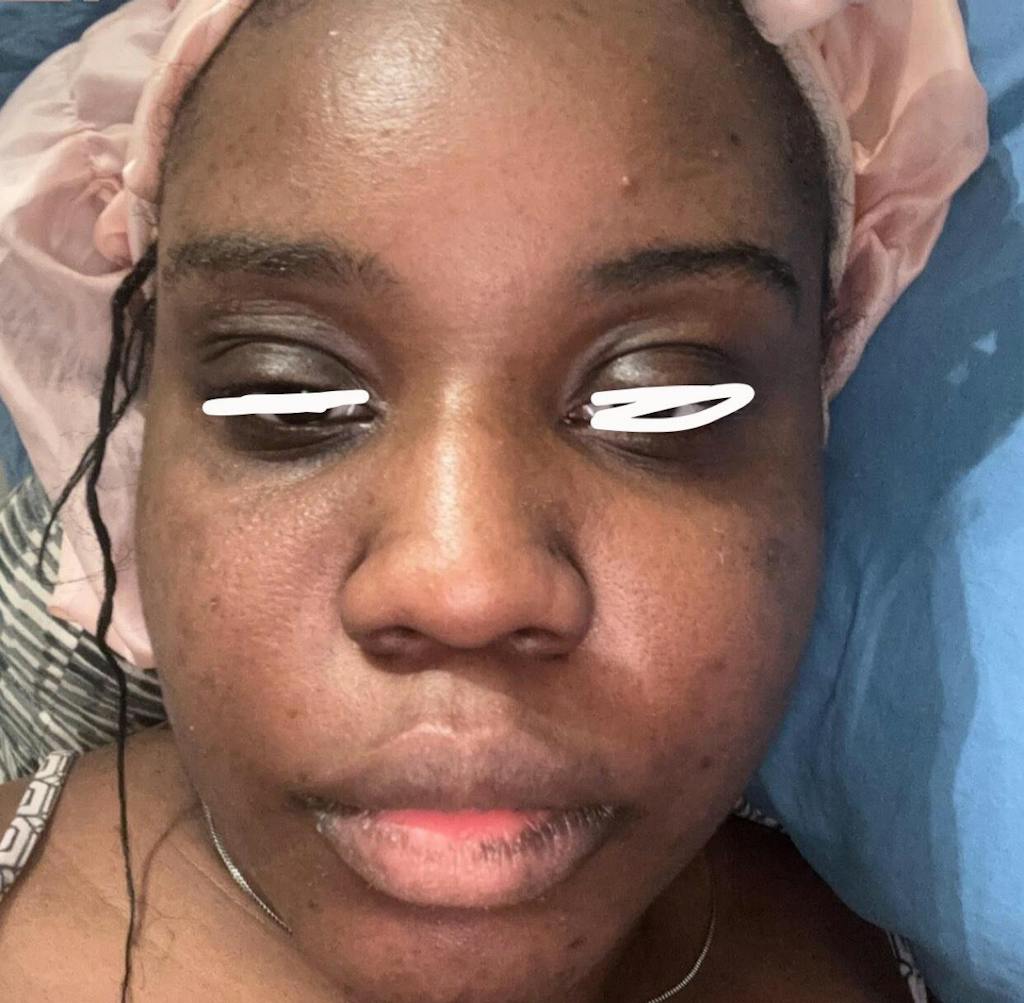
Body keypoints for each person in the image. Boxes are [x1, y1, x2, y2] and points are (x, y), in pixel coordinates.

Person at [0, 0, 988, 1000]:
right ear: (138, 443)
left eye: (659, 395)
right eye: (287, 390)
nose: (462, 588)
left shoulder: (885, 947)